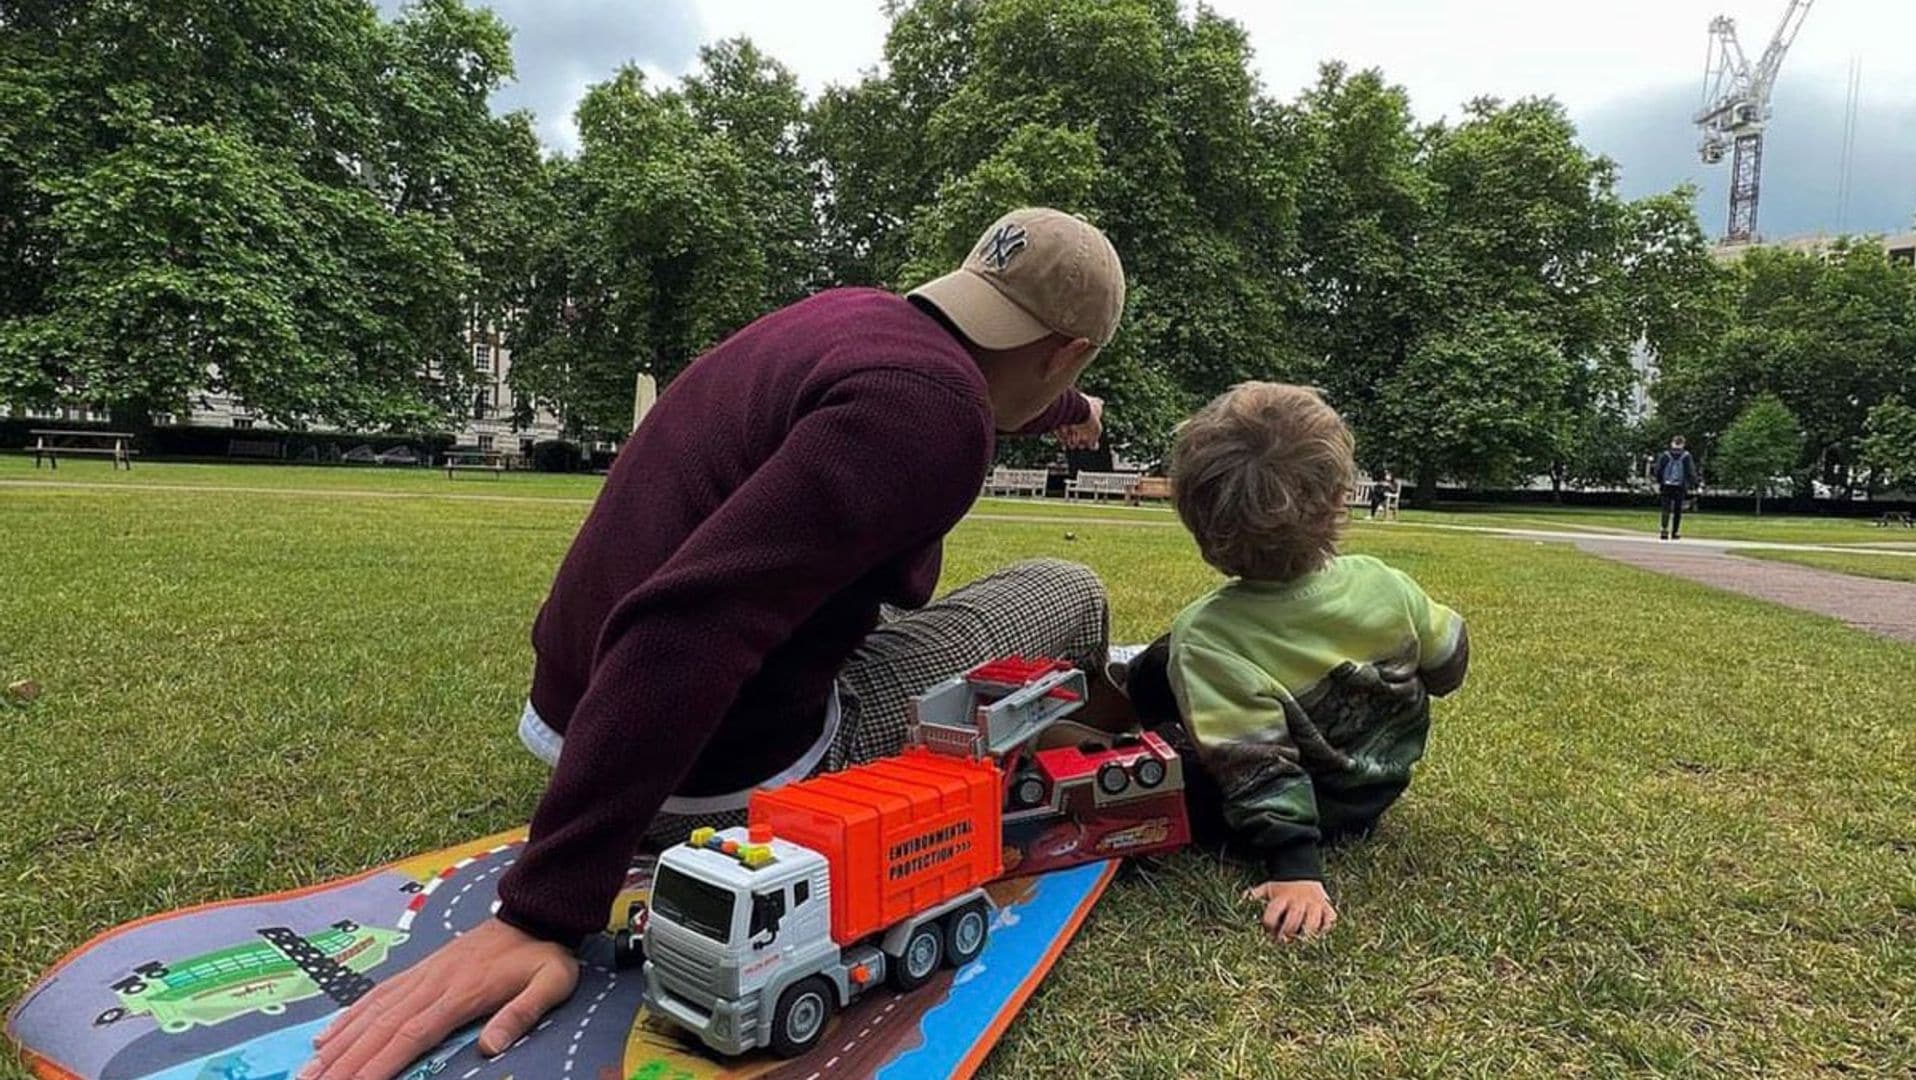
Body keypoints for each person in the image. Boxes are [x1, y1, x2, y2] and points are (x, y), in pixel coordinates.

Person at [301, 208, 1126, 1080]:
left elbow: (981, 384)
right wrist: (542, 912)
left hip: (580, 717)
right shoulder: (929, 410)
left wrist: (1064, 405)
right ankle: (1096, 734)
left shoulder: (852, 320)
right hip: (707, 777)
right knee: (1065, 588)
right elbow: (688, 624)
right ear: (1066, 350)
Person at [1117, 383, 1469, 944]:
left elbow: (1254, 765)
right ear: (1338, 499)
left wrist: (1296, 869)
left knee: (1147, 754)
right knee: (1162, 660)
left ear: (1198, 524)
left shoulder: (1208, 636)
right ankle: (1144, 680)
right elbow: (1450, 662)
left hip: (1306, 810)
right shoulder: (1385, 584)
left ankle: (1128, 698)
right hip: (1375, 788)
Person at [1650, 435, 1700, 540]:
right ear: (1683, 444)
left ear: (1672, 443)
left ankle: (1664, 530)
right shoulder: (1686, 456)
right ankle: (1675, 532)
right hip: (1680, 486)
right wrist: (1694, 484)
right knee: (1678, 510)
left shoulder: (1665, 455)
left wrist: (1659, 482)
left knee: (1665, 508)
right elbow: (1690, 471)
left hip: (1666, 485)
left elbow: (1658, 470)